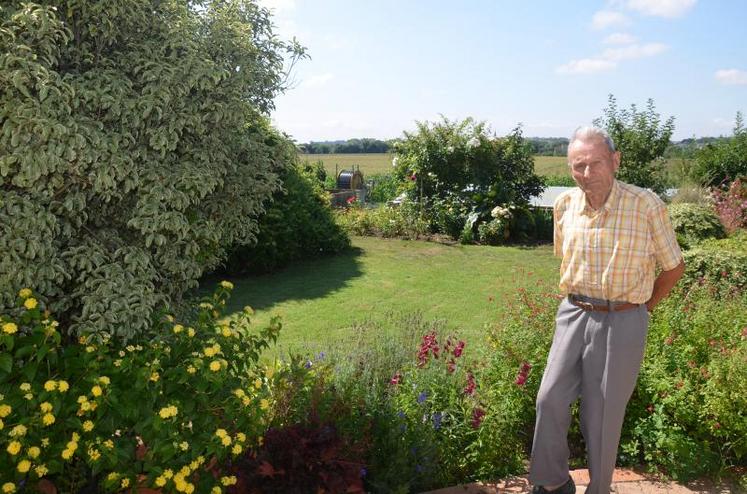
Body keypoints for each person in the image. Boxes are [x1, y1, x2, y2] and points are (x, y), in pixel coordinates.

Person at [529, 126, 685, 494]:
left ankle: (598, 489)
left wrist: (641, 308)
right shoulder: (565, 205)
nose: (586, 173)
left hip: (623, 319)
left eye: (594, 164)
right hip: (573, 312)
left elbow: (674, 266)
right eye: (577, 165)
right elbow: (565, 259)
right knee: (548, 399)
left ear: (614, 161)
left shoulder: (645, 204)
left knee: (601, 416)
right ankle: (552, 483)